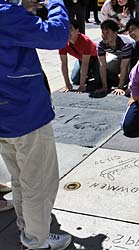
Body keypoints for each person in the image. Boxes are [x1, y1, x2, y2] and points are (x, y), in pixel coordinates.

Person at [0, 0, 72, 249]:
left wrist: (22, 8)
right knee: (39, 184)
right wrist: (56, 2)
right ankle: (36, 242)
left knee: (20, 179)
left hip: (5, 117)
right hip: (25, 114)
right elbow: (57, 36)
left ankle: (29, 231)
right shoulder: (5, 14)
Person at [59, 19, 100, 93]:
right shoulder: (63, 42)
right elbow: (63, 63)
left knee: (98, 80)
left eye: (70, 29)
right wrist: (67, 84)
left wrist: (82, 86)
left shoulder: (85, 41)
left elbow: (85, 64)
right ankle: (88, 74)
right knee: (75, 79)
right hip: (81, 59)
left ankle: (92, 73)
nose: (67, 32)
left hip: (95, 58)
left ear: (77, 31)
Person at [96, 19, 134, 95]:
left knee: (128, 70)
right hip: (119, 56)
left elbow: (124, 66)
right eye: (103, 33)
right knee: (108, 66)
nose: (104, 36)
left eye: (107, 33)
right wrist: (104, 87)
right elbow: (102, 65)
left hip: (133, 57)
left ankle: (128, 82)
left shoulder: (125, 44)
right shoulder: (101, 44)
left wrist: (120, 87)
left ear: (115, 33)